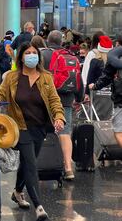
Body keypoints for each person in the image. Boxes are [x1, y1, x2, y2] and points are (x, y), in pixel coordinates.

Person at [0, 42, 65, 221]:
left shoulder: (46, 77)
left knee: (27, 163)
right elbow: (0, 92)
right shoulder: (12, 77)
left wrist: (59, 116)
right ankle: (39, 207)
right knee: (31, 164)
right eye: (28, 53)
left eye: (34, 53)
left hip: (39, 128)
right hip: (19, 127)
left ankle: (17, 192)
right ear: (21, 57)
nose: (32, 55)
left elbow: (54, 100)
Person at [41, 30, 84, 180]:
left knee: (44, 132)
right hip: (66, 99)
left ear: (48, 41)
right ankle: (68, 168)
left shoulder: (43, 55)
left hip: (46, 100)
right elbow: (79, 79)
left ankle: (43, 165)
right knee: (65, 132)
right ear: (61, 42)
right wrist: (78, 98)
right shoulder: (71, 56)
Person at [89, 48, 122, 148]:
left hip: (120, 101)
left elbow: (106, 77)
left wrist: (95, 86)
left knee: (119, 132)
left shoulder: (114, 57)